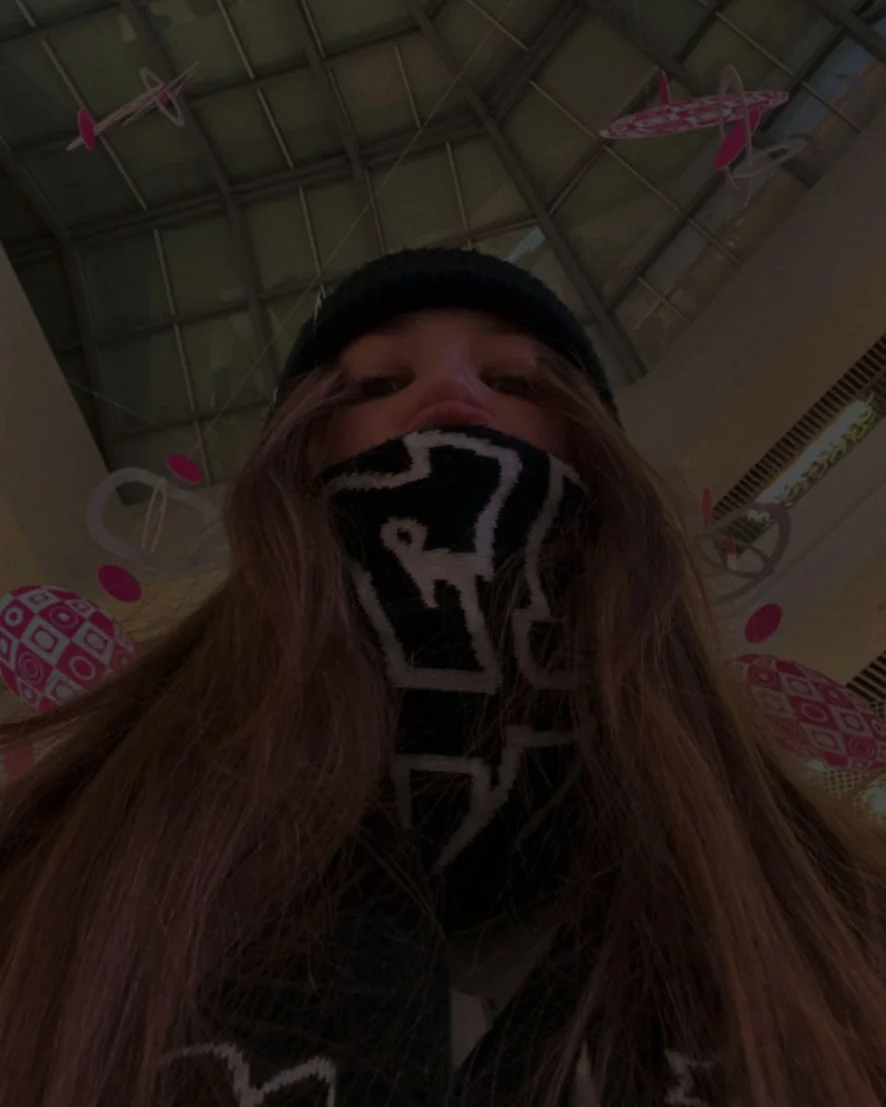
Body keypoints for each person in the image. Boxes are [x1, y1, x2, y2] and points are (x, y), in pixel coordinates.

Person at [0, 246, 885, 1107]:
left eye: (515, 382)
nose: (452, 392)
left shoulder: (827, 910)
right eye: (378, 383)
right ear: (301, 457)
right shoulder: (62, 863)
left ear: (593, 459)